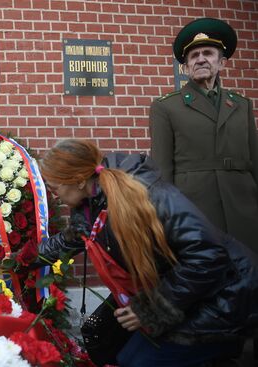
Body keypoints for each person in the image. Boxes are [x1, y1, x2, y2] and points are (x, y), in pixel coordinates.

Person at [37, 139, 258, 366]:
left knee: (138, 362)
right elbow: (67, 241)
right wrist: (16, 260)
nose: (54, 196)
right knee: (110, 345)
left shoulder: (151, 195)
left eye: (54, 189)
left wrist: (152, 308)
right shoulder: (91, 204)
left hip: (226, 295)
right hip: (185, 291)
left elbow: (207, 255)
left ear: (79, 181)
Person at [149, 17, 258, 254]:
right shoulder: (166, 107)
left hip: (244, 209)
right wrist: (166, 219)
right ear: (186, 66)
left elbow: (254, 159)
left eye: (208, 53)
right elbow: (162, 169)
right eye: (193, 56)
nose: (200, 59)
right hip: (195, 211)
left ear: (222, 62)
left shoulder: (241, 104)